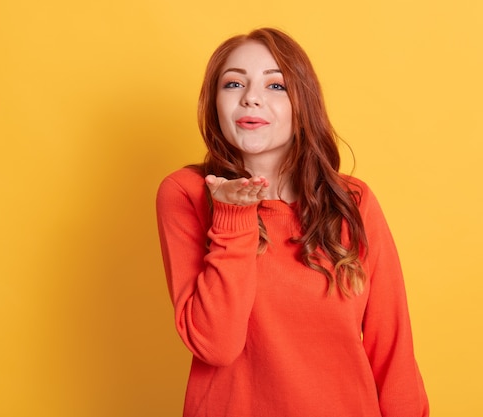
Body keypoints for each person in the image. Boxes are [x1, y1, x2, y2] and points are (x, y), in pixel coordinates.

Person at [156, 27, 429, 417]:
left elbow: (392, 348)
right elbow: (217, 344)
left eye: (276, 86)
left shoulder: (352, 201)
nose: (251, 97)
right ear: (214, 102)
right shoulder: (185, 193)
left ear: (303, 103)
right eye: (234, 83)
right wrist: (234, 217)